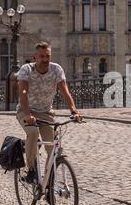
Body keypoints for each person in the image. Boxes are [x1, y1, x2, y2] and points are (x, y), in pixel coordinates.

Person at [16, 41, 82, 184]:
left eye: (48, 56)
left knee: (53, 148)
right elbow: (23, 92)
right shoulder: (26, 69)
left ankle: (47, 182)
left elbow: (65, 91)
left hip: (46, 112)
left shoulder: (56, 69)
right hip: (26, 110)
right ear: (35, 57)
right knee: (33, 132)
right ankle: (32, 170)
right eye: (42, 56)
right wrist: (28, 115)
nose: (45, 59)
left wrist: (74, 111)